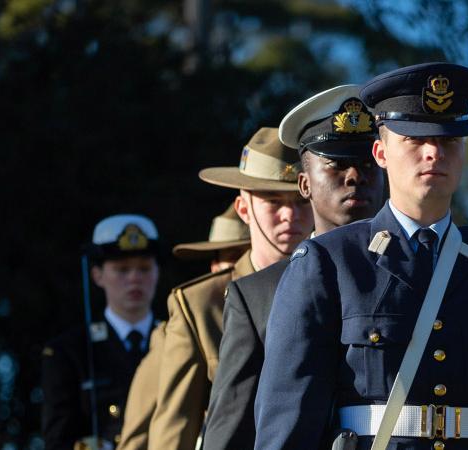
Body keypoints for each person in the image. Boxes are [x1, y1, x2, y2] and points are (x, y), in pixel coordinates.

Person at [253, 63, 468, 450]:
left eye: (449, 141)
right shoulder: (330, 261)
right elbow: (290, 421)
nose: (433, 153)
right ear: (381, 152)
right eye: (414, 139)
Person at [203, 85, 385, 450]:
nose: (355, 177)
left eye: (367, 164)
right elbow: (231, 429)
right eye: (336, 164)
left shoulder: (425, 276)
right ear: (304, 184)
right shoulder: (257, 295)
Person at [145, 127, 314, 450]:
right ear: (243, 209)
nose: (289, 215)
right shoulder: (200, 305)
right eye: (273, 201)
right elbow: (174, 431)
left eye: (300, 201)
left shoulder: (340, 287)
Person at [117, 207, 250, 450]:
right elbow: (141, 434)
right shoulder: (184, 329)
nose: (243, 265)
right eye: (234, 257)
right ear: (215, 266)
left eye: (249, 255)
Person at [42, 214, 161, 450]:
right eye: (122, 269)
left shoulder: (179, 341)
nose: (135, 279)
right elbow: (58, 440)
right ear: (97, 275)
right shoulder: (69, 352)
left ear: (157, 272)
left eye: (144, 268)